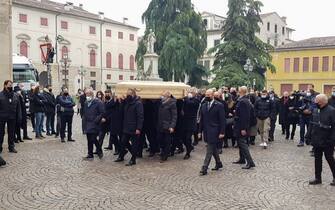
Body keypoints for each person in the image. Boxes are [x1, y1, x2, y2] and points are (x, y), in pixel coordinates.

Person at [305, 94, 335, 186]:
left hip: (327, 141)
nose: (315, 102)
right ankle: (318, 178)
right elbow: (312, 124)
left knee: (329, 159)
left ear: (322, 102)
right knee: (317, 159)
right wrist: (308, 136)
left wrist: (332, 140)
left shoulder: (332, 111)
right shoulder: (315, 110)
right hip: (316, 140)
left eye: (317, 101)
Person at [198, 89, 225, 176]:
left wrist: (222, 132)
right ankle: (218, 163)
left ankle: (204, 167)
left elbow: (222, 120)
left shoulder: (219, 105)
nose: (207, 96)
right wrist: (199, 131)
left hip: (215, 131)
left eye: (208, 95)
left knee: (209, 149)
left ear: (213, 95)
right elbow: (201, 120)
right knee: (213, 148)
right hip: (206, 130)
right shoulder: (204, 105)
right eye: (206, 94)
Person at [115, 89, 144, 166]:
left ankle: (133, 159)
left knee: (134, 144)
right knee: (123, 142)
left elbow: (140, 116)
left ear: (133, 94)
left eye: (129, 94)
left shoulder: (138, 103)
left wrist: (139, 128)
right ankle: (122, 156)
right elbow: (121, 112)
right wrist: (121, 102)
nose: (127, 96)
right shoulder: (127, 102)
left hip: (134, 128)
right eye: (127, 94)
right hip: (126, 127)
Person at [233, 86, 255, 170]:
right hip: (240, 125)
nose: (238, 92)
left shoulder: (243, 101)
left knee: (243, 144)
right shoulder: (245, 100)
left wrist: (243, 128)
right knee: (240, 143)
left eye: (238, 90)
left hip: (242, 126)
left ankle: (250, 162)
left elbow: (244, 116)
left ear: (241, 91)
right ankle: (242, 159)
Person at [82, 88, 105, 160]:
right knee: (89, 139)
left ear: (92, 94)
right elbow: (85, 113)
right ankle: (90, 154)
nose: (87, 95)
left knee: (93, 138)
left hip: (95, 123)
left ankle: (99, 150)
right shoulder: (86, 102)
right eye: (86, 94)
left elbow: (102, 112)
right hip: (88, 123)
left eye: (88, 94)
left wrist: (97, 120)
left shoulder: (98, 102)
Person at [0, 80, 21, 153]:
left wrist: (19, 116)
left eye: (11, 85)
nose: (10, 87)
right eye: (9, 85)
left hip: (12, 116)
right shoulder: (0, 95)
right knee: (1, 133)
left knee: (11, 132)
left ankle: (11, 147)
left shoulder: (15, 95)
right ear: (5, 85)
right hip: (2, 117)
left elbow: (18, 107)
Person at [157, 91, 177, 162]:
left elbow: (174, 116)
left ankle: (165, 155)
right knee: (160, 139)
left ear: (168, 97)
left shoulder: (172, 103)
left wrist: (172, 126)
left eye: (164, 96)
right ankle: (163, 151)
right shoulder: (161, 103)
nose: (162, 97)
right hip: (160, 125)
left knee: (167, 141)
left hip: (167, 126)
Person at [182, 90, 200, 159]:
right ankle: (190, 147)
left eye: (191, 92)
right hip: (184, 122)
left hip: (191, 122)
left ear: (195, 94)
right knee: (183, 138)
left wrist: (185, 96)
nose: (190, 93)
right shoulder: (186, 100)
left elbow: (190, 104)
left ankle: (188, 153)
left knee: (188, 138)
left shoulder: (196, 100)